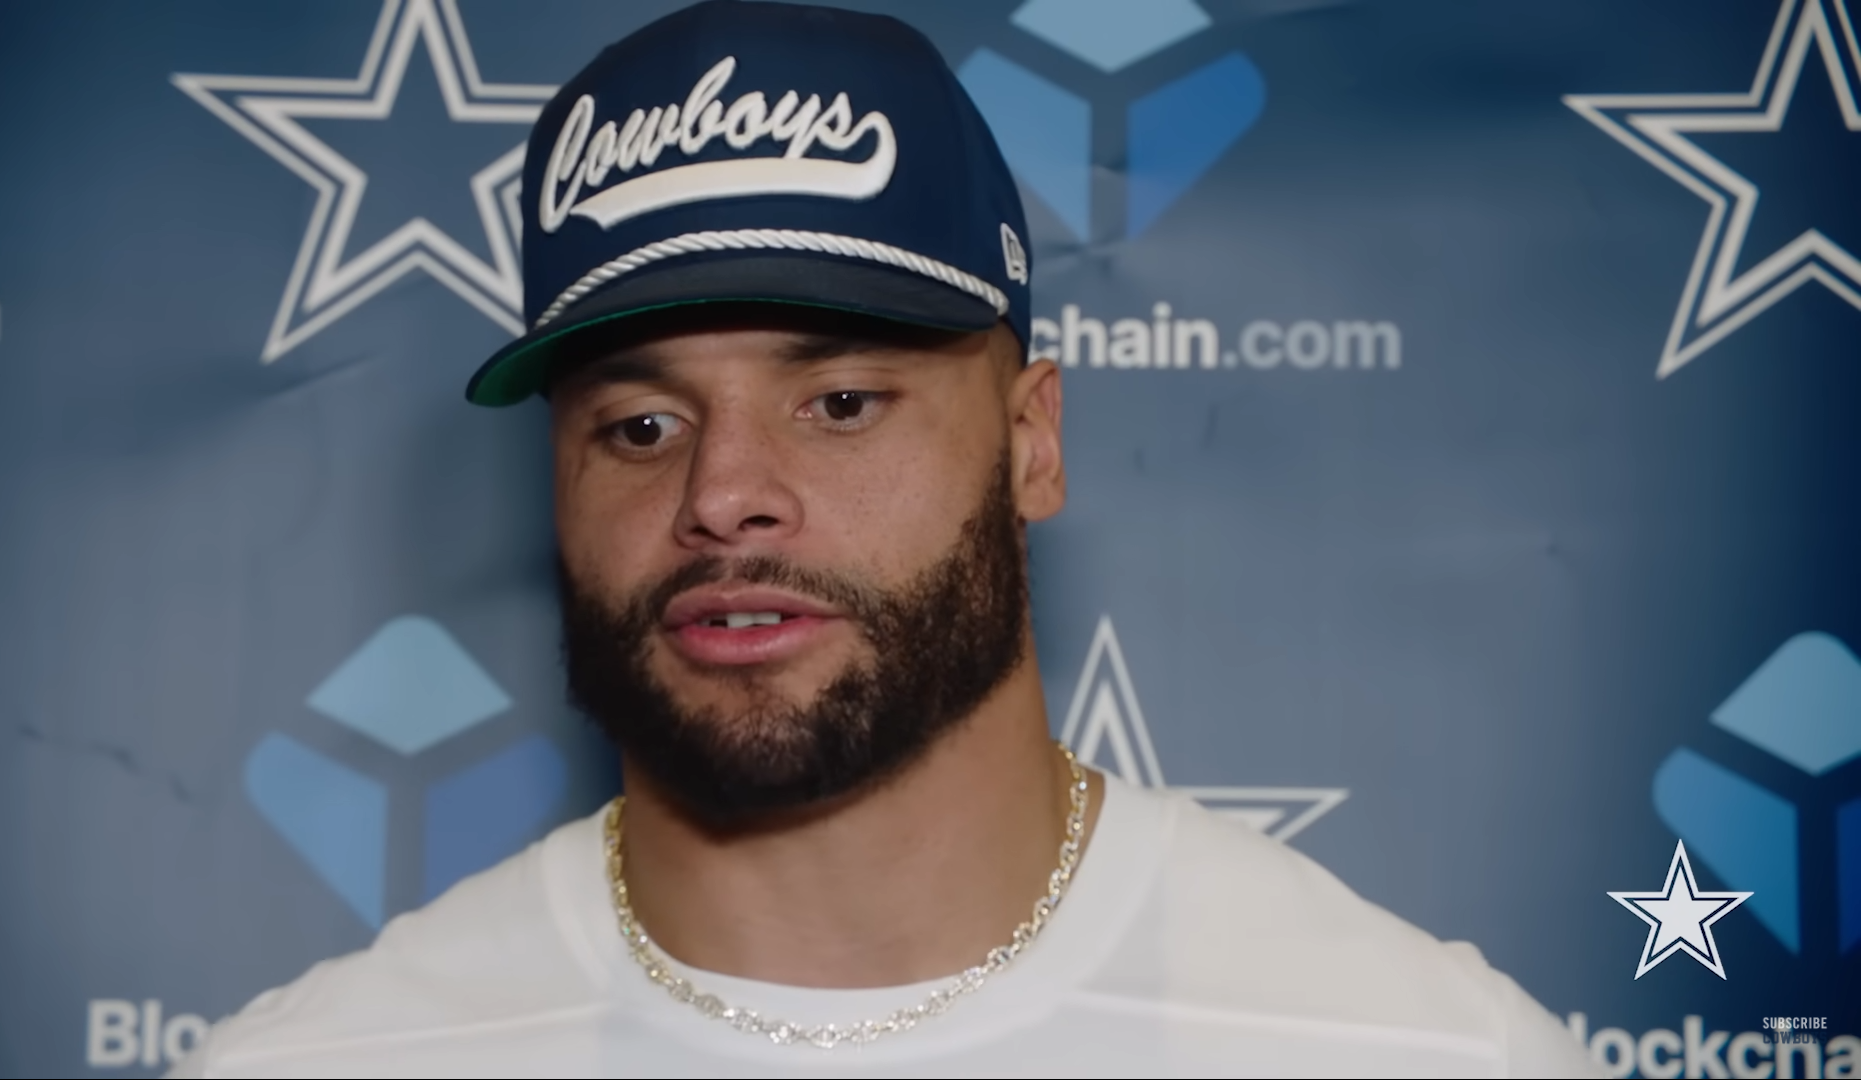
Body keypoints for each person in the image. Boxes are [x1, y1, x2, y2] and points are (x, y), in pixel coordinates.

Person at [173, 3, 1596, 1076]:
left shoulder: (1409, 1051)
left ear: (1032, 441)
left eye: (841, 400)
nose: (724, 495)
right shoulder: (330, 1061)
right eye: (641, 427)